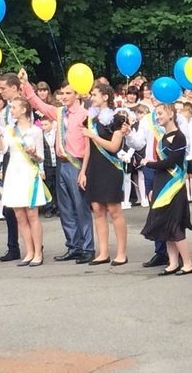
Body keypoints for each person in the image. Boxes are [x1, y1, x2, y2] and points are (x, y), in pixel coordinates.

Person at [19, 70, 94, 265]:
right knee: (66, 207)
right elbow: (39, 105)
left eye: (69, 93)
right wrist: (27, 84)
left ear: (77, 94)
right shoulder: (60, 113)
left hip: (77, 164)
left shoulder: (85, 114)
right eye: (62, 93)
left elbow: (88, 146)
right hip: (61, 163)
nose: (64, 96)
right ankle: (73, 245)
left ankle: (88, 247)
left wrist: (84, 171)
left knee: (80, 206)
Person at [140, 104, 192, 275]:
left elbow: (170, 162)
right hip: (161, 182)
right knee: (165, 225)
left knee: (175, 224)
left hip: (174, 185)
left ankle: (188, 263)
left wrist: (147, 163)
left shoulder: (179, 137)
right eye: (156, 114)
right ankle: (172, 263)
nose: (158, 117)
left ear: (171, 114)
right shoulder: (163, 137)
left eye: (160, 113)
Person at [79, 83, 128, 266]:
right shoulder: (90, 120)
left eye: (95, 94)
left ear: (106, 97)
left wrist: (93, 136)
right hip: (94, 168)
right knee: (98, 210)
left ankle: (122, 252)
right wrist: (83, 171)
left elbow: (114, 147)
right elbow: (88, 149)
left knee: (114, 211)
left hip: (111, 167)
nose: (92, 97)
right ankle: (103, 252)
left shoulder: (117, 119)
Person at [1, 97, 49, 266]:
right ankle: (28, 251)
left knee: (32, 214)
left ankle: (38, 252)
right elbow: (2, 149)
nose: (11, 110)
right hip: (14, 172)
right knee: (19, 215)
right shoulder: (9, 129)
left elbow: (41, 157)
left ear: (23, 110)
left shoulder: (35, 131)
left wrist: (33, 154)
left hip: (29, 172)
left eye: (14, 107)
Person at [0, 74, 23, 262]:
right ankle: (13, 246)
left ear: (14, 88)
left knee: (25, 206)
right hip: (8, 157)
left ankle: (34, 246)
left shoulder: (24, 107)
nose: (0, 91)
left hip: (23, 158)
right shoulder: (3, 112)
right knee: (9, 206)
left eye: (3, 88)